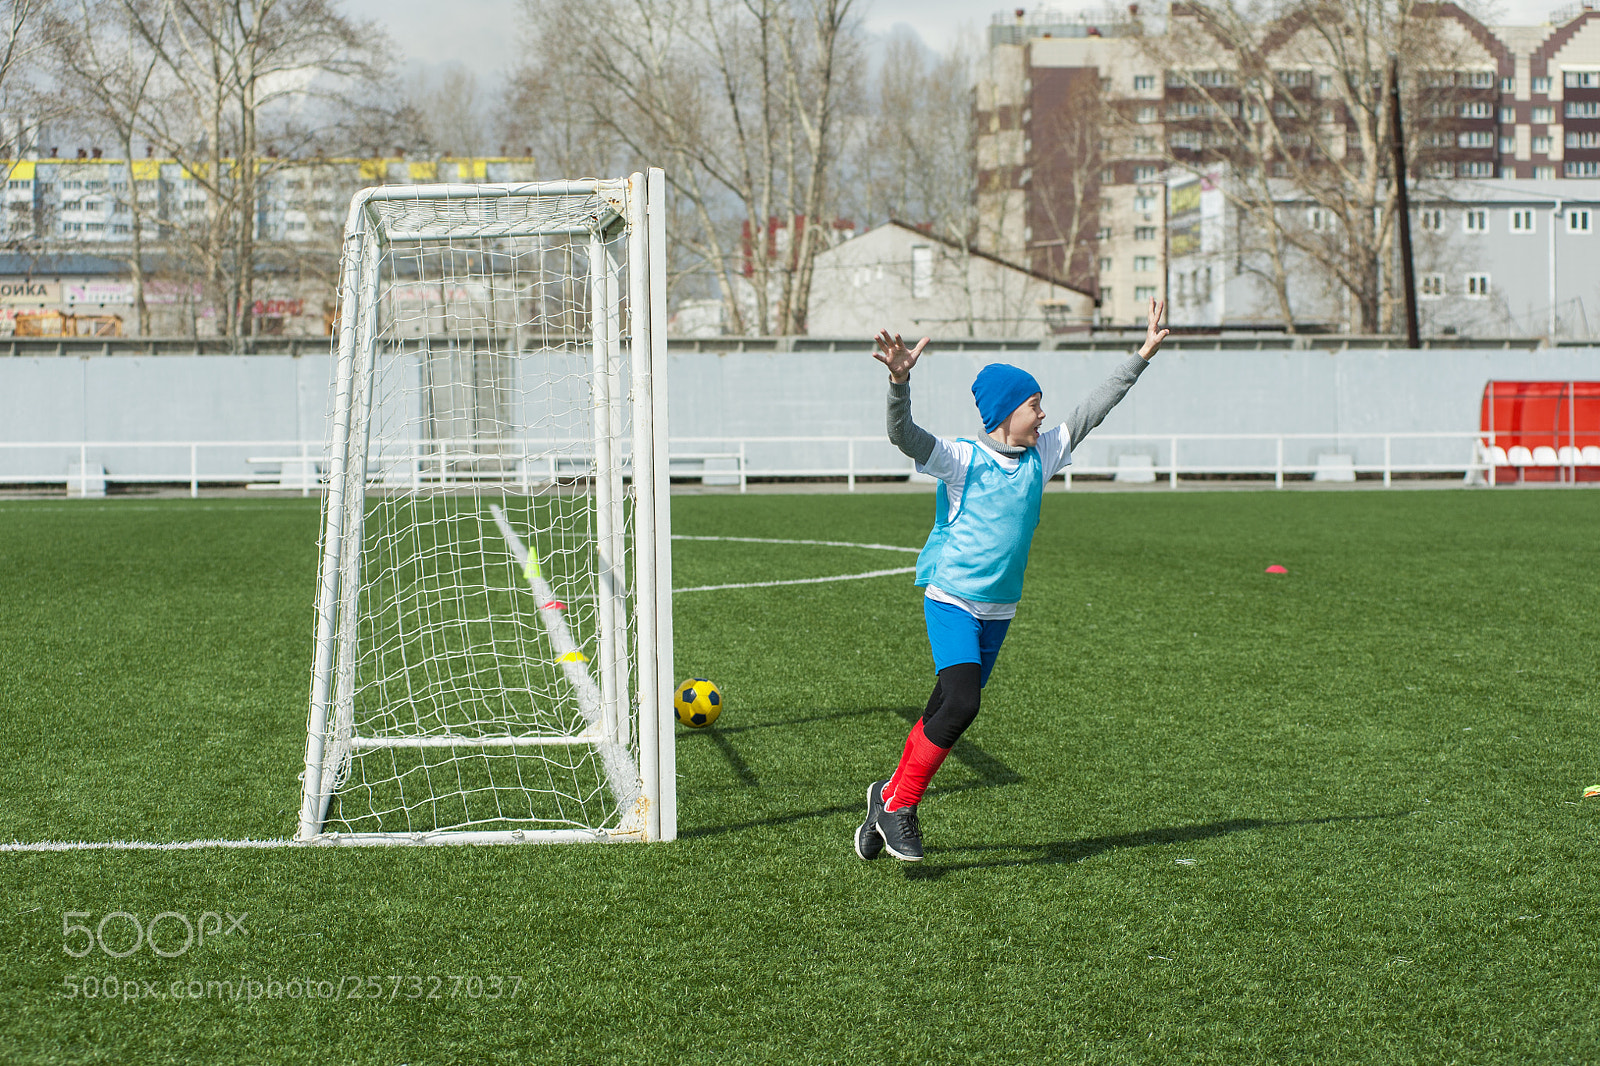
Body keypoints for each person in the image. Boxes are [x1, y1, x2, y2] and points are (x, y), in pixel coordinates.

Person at [855, 297, 1171, 862]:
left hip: (1000, 608)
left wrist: (1141, 356)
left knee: (941, 708)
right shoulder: (960, 457)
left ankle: (886, 796)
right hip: (951, 597)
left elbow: (1093, 408)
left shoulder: (1041, 455)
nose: (1044, 414)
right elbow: (903, 436)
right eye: (1034, 404)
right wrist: (899, 384)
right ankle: (901, 806)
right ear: (1006, 412)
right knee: (962, 704)